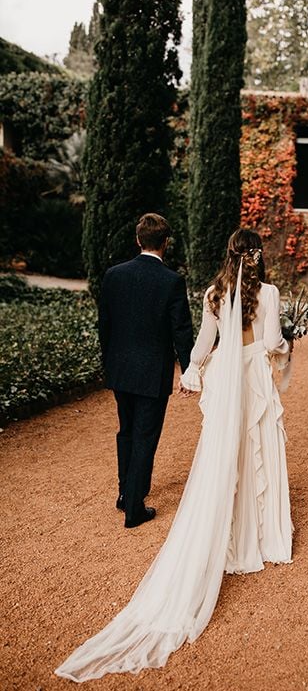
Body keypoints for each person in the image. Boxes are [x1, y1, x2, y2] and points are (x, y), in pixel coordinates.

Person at [55, 228, 292, 682]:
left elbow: (204, 344)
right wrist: (287, 345)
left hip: (226, 376)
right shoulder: (270, 292)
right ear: (259, 256)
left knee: (221, 453)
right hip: (253, 378)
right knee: (257, 447)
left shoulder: (213, 292)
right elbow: (269, 342)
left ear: (228, 253)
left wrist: (194, 372)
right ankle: (259, 537)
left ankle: (223, 534)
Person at [98, 213, 194, 528]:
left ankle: (126, 493)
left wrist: (108, 362)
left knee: (126, 431)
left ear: (138, 240)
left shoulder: (114, 275)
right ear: (165, 243)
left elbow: (105, 325)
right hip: (153, 371)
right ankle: (134, 508)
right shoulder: (172, 281)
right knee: (145, 436)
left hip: (120, 368)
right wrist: (190, 369)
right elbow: (181, 331)